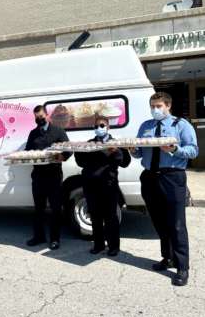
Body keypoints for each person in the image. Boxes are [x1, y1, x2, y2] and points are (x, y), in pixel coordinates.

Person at [131, 92, 198, 286]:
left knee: (176, 224)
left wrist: (175, 150)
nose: (155, 109)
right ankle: (167, 257)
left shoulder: (181, 125)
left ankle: (182, 267)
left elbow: (193, 150)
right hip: (150, 177)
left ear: (168, 105)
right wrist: (133, 150)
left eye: (158, 106)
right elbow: (139, 152)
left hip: (172, 177)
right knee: (158, 221)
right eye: (152, 106)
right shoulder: (146, 126)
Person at [74, 116, 131, 256]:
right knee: (95, 216)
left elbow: (125, 162)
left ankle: (113, 246)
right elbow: (81, 163)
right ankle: (98, 245)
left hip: (108, 184)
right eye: (96, 126)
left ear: (108, 127)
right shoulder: (89, 144)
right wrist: (77, 150)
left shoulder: (116, 143)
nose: (99, 128)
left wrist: (116, 151)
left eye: (101, 125)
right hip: (91, 185)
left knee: (111, 216)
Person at [25, 105, 71, 250]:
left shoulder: (58, 131)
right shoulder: (33, 133)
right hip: (38, 176)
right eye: (36, 117)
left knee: (55, 209)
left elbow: (68, 150)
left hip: (54, 176)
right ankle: (39, 236)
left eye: (41, 116)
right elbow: (27, 151)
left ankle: (55, 239)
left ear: (47, 115)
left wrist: (61, 156)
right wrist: (28, 156)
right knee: (39, 208)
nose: (39, 119)